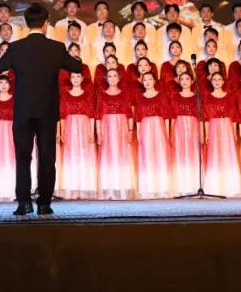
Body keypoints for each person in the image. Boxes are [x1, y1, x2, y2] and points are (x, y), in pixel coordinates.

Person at [0, 2, 83, 215]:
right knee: (47, 158)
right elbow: (77, 66)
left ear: (26, 23)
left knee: (23, 157)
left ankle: (24, 203)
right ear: (46, 23)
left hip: (23, 112)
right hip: (47, 111)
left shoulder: (16, 47)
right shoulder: (56, 48)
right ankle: (44, 203)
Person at [95, 67, 136, 200]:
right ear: (106, 79)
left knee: (121, 155)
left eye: (115, 76)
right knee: (108, 156)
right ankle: (109, 188)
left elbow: (129, 114)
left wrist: (130, 131)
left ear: (119, 79)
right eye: (110, 76)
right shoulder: (102, 95)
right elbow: (98, 116)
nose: (112, 78)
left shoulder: (124, 94)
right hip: (107, 128)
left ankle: (121, 187)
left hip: (121, 127)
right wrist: (99, 133)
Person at [57, 72, 97, 199]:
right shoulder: (65, 95)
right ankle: (72, 188)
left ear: (82, 79)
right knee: (71, 156)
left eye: (78, 76)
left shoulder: (88, 95)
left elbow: (91, 115)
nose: (76, 79)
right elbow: (62, 116)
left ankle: (84, 187)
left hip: (84, 126)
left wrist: (91, 132)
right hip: (70, 127)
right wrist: (62, 132)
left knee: (84, 154)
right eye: (73, 77)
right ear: (70, 79)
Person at [134, 72, 173, 199]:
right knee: (148, 157)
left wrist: (167, 133)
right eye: (145, 80)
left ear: (154, 81)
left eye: (150, 79)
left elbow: (166, 116)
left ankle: (163, 188)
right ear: (142, 82)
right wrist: (139, 135)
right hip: (145, 128)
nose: (147, 82)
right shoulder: (140, 97)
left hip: (159, 127)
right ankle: (149, 188)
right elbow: (138, 118)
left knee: (160, 156)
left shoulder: (161, 95)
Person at [202, 72, 241, 196]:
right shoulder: (207, 97)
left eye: (219, 79)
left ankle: (230, 186)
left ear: (223, 82)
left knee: (227, 154)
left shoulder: (230, 97)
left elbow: (233, 116)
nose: (217, 81)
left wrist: (234, 132)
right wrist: (206, 133)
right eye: (214, 79)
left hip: (226, 127)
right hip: (214, 127)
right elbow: (206, 117)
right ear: (211, 81)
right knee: (215, 154)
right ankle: (215, 186)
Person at [169, 72, 202, 196]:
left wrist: (202, 133)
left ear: (192, 81)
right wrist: (171, 132)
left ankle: (193, 185)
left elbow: (200, 116)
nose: (184, 81)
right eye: (182, 79)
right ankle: (181, 186)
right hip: (179, 127)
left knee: (192, 154)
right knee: (180, 154)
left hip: (193, 127)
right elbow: (172, 115)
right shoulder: (175, 96)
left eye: (187, 78)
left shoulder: (197, 97)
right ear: (178, 81)